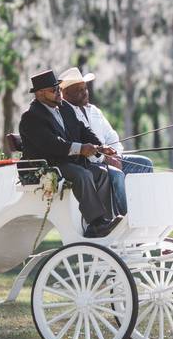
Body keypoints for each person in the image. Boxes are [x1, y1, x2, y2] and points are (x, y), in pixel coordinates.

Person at [19, 69, 121, 238]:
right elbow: (51, 144)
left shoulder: (65, 107)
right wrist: (80, 149)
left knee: (101, 173)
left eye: (59, 89)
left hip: (68, 162)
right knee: (82, 175)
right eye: (54, 90)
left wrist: (100, 146)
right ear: (40, 93)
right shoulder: (31, 117)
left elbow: (83, 130)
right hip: (48, 165)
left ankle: (105, 221)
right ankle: (96, 223)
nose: (59, 93)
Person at [58, 67, 154, 215]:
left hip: (110, 158)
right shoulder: (65, 114)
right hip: (89, 163)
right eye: (79, 90)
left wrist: (116, 155)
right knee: (116, 174)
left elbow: (111, 136)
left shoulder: (94, 110)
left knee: (145, 164)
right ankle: (125, 217)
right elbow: (80, 144)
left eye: (85, 88)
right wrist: (105, 159)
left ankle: (144, 210)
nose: (85, 92)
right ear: (65, 94)